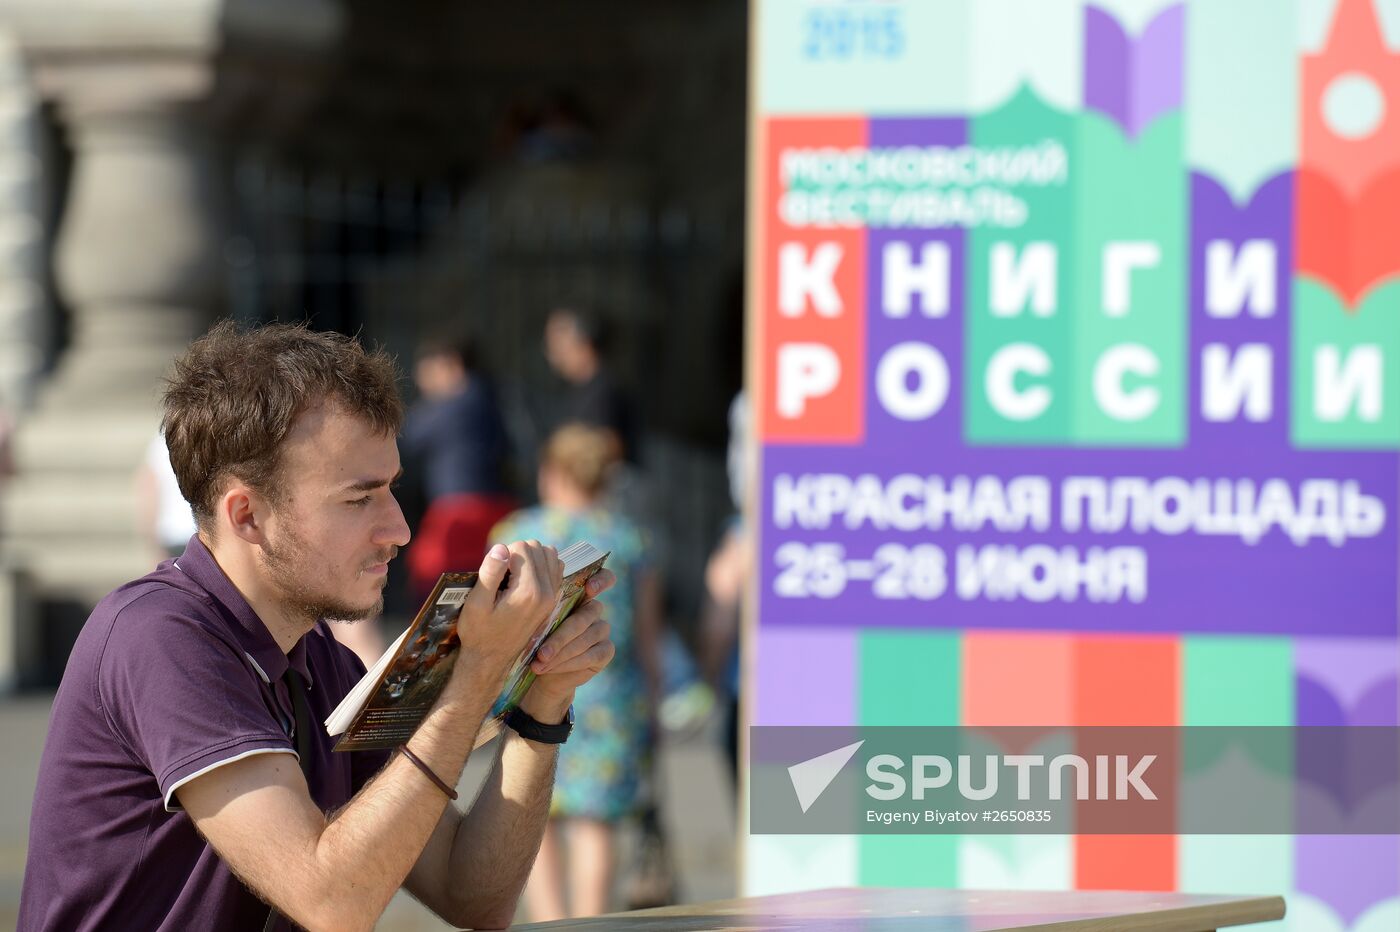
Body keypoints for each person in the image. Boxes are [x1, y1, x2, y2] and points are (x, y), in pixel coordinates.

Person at [18, 321, 617, 932]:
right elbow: (334, 903)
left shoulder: (324, 660)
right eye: (359, 500)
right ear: (247, 515)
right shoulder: (158, 636)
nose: (399, 530)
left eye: (391, 489)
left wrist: (540, 706)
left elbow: (473, 898)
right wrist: (474, 676)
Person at [494, 423, 663, 920]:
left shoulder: (514, 534)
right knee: (596, 826)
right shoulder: (628, 539)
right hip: (610, 693)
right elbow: (650, 637)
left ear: (554, 472)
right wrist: (654, 704)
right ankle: (589, 924)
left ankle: (548, 921)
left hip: (532, 685)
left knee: (534, 816)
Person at [400, 335, 516, 601]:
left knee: (432, 579)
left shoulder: (454, 404)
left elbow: (406, 437)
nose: (422, 381)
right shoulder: (492, 397)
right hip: (498, 509)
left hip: (460, 513)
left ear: (450, 364)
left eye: (426, 371)